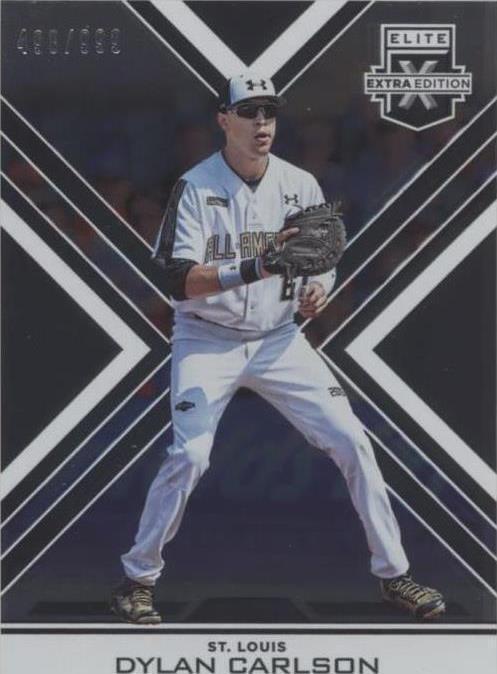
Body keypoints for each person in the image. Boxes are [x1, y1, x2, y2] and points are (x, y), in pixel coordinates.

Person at [111, 72, 445, 624]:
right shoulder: (195, 186)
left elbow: (324, 255)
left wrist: (320, 286)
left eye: (268, 112)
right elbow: (178, 281)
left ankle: (394, 575)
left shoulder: (300, 183)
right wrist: (259, 265)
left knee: (352, 441)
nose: (262, 123)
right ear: (224, 120)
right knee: (190, 456)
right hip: (207, 338)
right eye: (249, 112)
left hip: (280, 339)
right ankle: (137, 579)